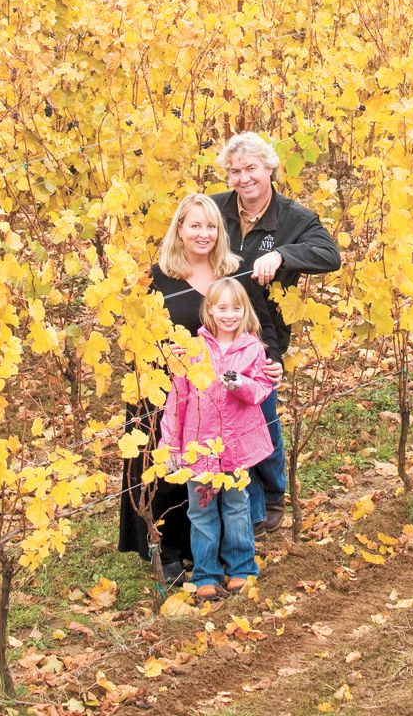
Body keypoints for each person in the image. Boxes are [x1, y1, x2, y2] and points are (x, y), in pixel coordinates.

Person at [117, 194, 280, 584]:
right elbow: (133, 338)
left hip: (223, 397)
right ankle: (169, 551)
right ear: (180, 229)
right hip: (167, 389)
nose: (203, 233)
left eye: (211, 226)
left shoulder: (234, 273)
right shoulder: (157, 278)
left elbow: (262, 325)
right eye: (195, 225)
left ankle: (211, 555)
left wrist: (272, 359)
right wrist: (160, 351)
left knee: (216, 474)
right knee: (168, 467)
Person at [211, 132, 341, 534]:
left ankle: (270, 497)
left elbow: (329, 254)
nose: (243, 178)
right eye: (234, 171)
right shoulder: (216, 208)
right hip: (215, 329)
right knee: (221, 411)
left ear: (269, 168)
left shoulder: (293, 218)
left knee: (261, 413)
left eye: (251, 168)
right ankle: (232, 500)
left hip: (264, 333)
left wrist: (283, 254)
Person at [159, 278, 273, 600]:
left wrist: (241, 385)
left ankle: (241, 569)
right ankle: (206, 573)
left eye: (236, 308)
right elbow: (177, 398)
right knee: (202, 511)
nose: (229, 315)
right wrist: (170, 443)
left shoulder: (252, 349)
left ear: (244, 311)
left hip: (236, 448)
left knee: (237, 506)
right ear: (209, 310)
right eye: (222, 308)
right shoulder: (194, 350)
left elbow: (261, 389)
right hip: (199, 448)